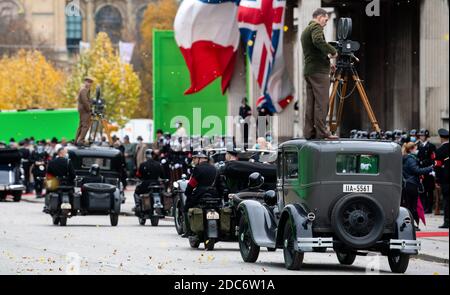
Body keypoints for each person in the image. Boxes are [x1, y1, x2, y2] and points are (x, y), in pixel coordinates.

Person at [301, 8, 338, 140]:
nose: (326, 22)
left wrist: (327, 62)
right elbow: (318, 41)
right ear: (319, 17)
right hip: (318, 72)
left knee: (311, 104)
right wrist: (333, 52)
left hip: (310, 71)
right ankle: (322, 133)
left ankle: (309, 133)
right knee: (322, 103)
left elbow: (314, 51)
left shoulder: (305, 31)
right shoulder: (316, 27)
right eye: (326, 19)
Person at [182, 152, 218, 237]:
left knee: (186, 207)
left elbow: (192, 184)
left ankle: (188, 231)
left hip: (200, 193)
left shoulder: (198, 169)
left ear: (200, 159)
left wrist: (187, 193)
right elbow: (218, 183)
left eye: (195, 158)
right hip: (213, 194)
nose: (193, 160)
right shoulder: (214, 168)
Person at [402, 142, 434, 231]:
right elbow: (416, 170)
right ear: (412, 149)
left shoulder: (406, 158)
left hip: (407, 184)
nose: (417, 150)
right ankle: (413, 225)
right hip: (412, 184)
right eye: (416, 148)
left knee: (409, 205)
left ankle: (409, 224)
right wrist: (430, 168)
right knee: (413, 206)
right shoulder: (410, 159)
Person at [417, 129, 437, 213]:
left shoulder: (431, 146)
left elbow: (433, 158)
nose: (422, 137)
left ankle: (429, 208)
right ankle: (423, 207)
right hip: (420, 170)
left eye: (423, 136)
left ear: (426, 136)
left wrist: (433, 169)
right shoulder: (417, 145)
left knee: (429, 190)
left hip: (428, 170)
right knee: (422, 190)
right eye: (421, 136)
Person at [435, 129, 449, 228]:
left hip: (446, 180)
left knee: (447, 201)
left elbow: (438, 167)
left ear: (441, 138)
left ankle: (447, 221)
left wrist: (437, 181)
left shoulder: (440, 150)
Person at [75, 77, 94, 145]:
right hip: (84, 110)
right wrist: (89, 109)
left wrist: (91, 101)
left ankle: (76, 140)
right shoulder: (84, 90)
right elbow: (85, 101)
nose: (89, 84)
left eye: (90, 83)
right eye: (88, 82)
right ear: (85, 82)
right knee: (85, 126)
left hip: (83, 109)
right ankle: (80, 141)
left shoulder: (85, 90)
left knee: (81, 125)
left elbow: (86, 100)